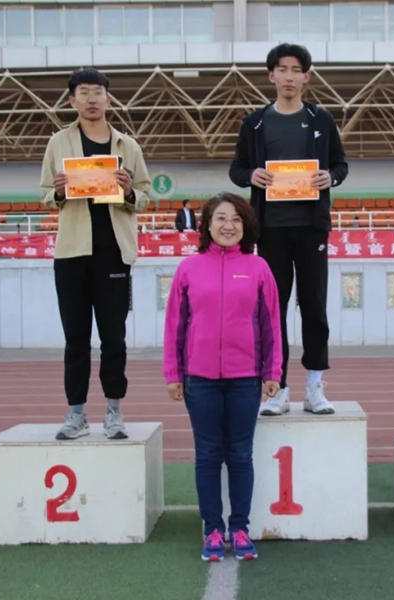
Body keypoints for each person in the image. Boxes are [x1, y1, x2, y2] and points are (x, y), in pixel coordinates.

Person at [228, 43, 348, 417]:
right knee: (272, 310)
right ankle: (276, 387)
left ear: (307, 76)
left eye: (297, 70)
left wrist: (330, 177)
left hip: (312, 228)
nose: (289, 77)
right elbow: (236, 169)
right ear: (272, 75)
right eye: (283, 69)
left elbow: (340, 165)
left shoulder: (321, 120)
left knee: (314, 306)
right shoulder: (255, 123)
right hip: (270, 230)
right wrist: (251, 175)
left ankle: (315, 386)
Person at [163, 192, 283, 562]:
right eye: (220, 218)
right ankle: (213, 530)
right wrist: (173, 372)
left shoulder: (258, 268)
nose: (228, 225)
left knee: (241, 455)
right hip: (199, 379)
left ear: (246, 226)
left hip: (246, 378)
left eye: (236, 219)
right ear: (207, 225)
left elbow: (271, 324)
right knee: (208, 456)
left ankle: (241, 528)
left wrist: (272, 370)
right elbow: (175, 325)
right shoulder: (188, 269)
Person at [40, 67, 152, 441]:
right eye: (84, 92)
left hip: (114, 252)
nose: (92, 99)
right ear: (72, 100)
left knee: (114, 338)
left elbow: (146, 197)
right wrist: (58, 192)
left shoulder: (128, 146)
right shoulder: (58, 143)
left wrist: (129, 191)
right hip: (72, 253)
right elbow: (44, 194)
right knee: (75, 339)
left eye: (98, 92)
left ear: (108, 98)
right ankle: (76, 413)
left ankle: (114, 411)